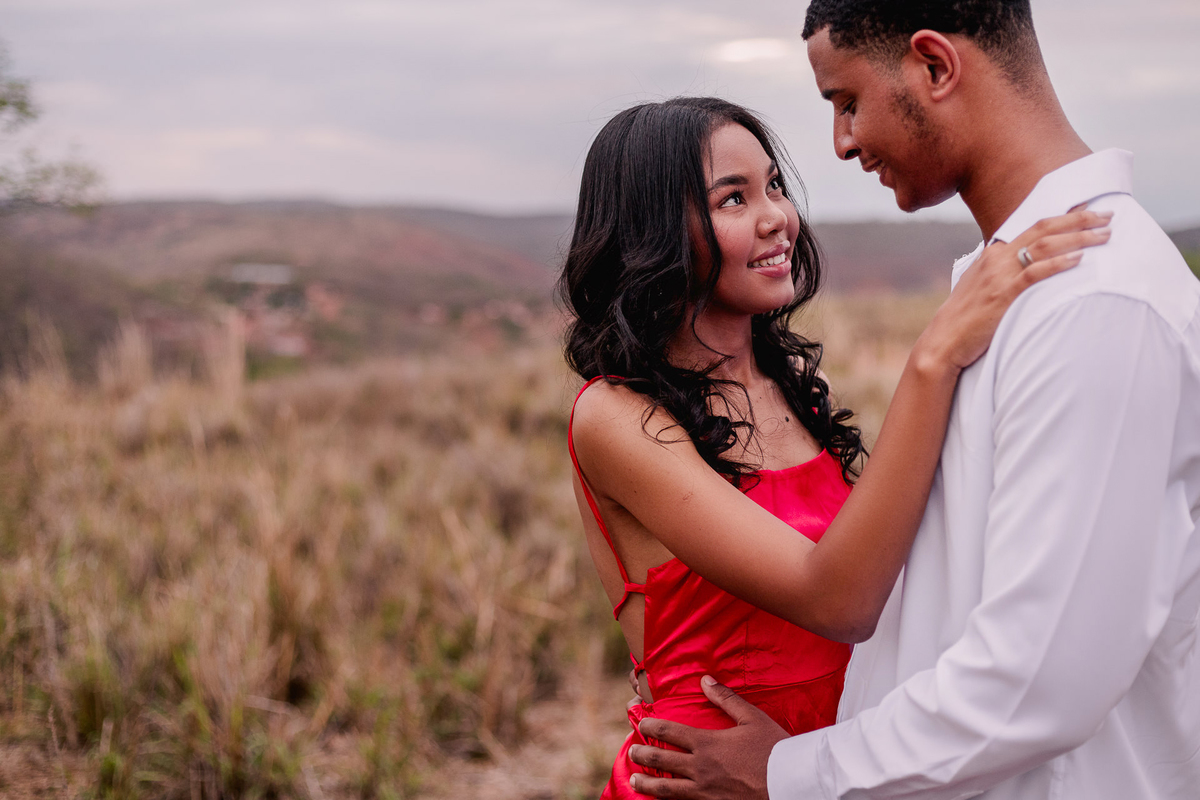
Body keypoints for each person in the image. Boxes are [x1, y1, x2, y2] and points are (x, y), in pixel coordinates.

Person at [626, 3, 1200, 800]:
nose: (843, 142)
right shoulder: (1013, 286)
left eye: (847, 102)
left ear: (934, 67)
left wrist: (793, 773)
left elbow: (1037, 681)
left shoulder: (1094, 303)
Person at [560, 96, 1110, 800]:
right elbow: (838, 599)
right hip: (708, 781)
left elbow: (889, 555)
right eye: (733, 198)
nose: (777, 218)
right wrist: (934, 357)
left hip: (822, 770)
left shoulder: (786, 384)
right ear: (655, 232)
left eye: (775, 186)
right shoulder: (614, 417)